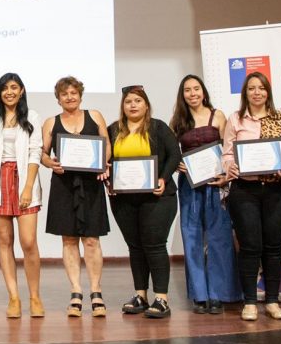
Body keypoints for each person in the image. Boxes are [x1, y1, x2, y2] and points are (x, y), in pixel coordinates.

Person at [222, 71, 281, 322]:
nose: (257, 92)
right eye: (252, 88)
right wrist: (229, 166)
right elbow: (227, 153)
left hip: (276, 190)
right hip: (245, 191)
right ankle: (250, 301)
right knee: (250, 247)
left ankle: (273, 301)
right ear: (245, 93)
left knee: (273, 247)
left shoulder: (280, 118)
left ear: (268, 92)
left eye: (261, 88)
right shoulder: (236, 119)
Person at [169, 75, 240, 315]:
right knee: (192, 238)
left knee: (219, 237)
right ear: (182, 94)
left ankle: (218, 294)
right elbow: (170, 151)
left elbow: (229, 148)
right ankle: (199, 295)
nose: (192, 93)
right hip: (190, 184)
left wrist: (226, 174)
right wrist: (178, 163)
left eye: (196, 88)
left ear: (203, 91)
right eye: (187, 90)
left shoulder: (217, 115)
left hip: (215, 182)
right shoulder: (178, 120)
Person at [40, 76, 111, 318]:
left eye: (73, 93)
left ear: (80, 95)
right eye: (64, 94)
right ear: (58, 98)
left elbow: (107, 145)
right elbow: (42, 153)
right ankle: (76, 292)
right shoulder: (51, 122)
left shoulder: (95, 116)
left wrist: (104, 163)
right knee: (68, 240)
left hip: (91, 185)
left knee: (91, 239)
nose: (69, 97)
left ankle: (96, 291)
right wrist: (49, 162)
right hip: (63, 185)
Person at [108, 85, 180, 319]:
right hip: (123, 199)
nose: (133, 105)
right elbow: (104, 161)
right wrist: (108, 180)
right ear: (123, 106)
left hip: (158, 197)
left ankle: (161, 299)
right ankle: (141, 295)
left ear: (146, 105)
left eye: (138, 101)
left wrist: (163, 178)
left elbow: (174, 155)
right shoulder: (113, 130)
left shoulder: (158, 127)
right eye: (128, 101)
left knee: (155, 245)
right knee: (135, 247)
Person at [0, 73, 44, 318]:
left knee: (28, 242)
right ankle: (14, 298)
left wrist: (28, 187)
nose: (9, 92)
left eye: (14, 87)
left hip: (24, 178)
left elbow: (36, 152)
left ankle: (35, 297)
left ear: (22, 91)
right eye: (5, 88)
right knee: (5, 242)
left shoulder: (32, 116)